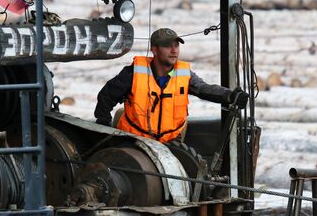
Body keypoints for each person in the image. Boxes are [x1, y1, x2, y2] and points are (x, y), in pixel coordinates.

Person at [94, 28, 249, 143]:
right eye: (168, 46)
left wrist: (230, 96)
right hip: (133, 142)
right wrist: (104, 127)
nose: (174, 50)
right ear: (154, 49)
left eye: (176, 45)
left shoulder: (184, 74)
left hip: (171, 144)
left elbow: (204, 89)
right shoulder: (133, 73)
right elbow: (106, 96)